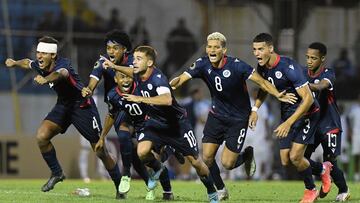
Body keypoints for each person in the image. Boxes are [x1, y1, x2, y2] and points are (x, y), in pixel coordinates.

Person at [170, 32, 297, 200]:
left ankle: (246, 155)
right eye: (209, 47)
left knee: (228, 164)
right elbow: (180, 79)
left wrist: (278, 94)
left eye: (216, 47)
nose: (212, 50)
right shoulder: (202, 64)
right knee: (207, 158)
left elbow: (262, 82)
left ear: (224, 50)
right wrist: (169, 85)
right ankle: (221, 189)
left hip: (238, 119)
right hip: (216, 116)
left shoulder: (237, 66)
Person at [4, 36, 122, 199]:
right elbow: (27, 62)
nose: (38, 56)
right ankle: (57, 173)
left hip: (82, 106)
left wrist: (45, 79)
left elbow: (60, 74)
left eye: (43, 53)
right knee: (42, 136)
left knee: (100, 150)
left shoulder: (62, 65)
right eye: (38, 52)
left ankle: (120, 187)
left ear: (53, 55)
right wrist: (14, 62)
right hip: (64, 105)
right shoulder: (40, 64)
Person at [102, 45, 220, 203]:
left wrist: (141, 99)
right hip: (155, 123)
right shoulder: (138, 73)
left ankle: (212, 191)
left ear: (149, 63)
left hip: (177, 125)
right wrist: (114, 66)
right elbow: (130, 72)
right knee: (142, 151)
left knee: (196, 162)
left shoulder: (158, 78)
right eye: (134, 58)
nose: (134, 62)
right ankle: (158, 168)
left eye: (138, 59)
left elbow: (167, 99)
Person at [251, 33, 330, 203]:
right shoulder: (262, 67)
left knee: (295, 157)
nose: (257, 54)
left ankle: (310, 190)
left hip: (308, 113)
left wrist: (288, 123)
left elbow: (308, 99)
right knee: (286, 160)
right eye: (254, 50)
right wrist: (255, 108)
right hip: (288, 114)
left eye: (261, 49)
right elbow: (265, 87)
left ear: (270, 49)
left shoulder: (288, 67)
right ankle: (323, 169)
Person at [81, 30, 152, 197]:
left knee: (144, 151)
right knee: (128, 144)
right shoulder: (103, 62)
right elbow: (94, 78)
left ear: (125, 49)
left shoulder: (135, 61)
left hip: (141, 108)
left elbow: (137, 74)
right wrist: (89, 89)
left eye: (115, 48)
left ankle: (148, 173)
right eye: (108, 48)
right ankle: (138, 180)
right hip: (119, 108)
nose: (111, 51)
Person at [303, 42, 350, 201]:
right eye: (308, 57)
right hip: (313, 124)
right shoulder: (303, 73)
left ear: (322, 58)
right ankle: (312, 188)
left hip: (330, 124)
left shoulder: (328, 73)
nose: (309, 61)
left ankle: (343, 190)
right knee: (301, 158)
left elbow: (322, 85)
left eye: (313, 58)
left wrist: (305, 86)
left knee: (330, 159)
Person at [348, 94, 360, 182]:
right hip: (356, 135)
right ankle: (356, 176)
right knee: (356, 155)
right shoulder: (354, 109)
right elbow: (348, 119)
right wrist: (350, 131)